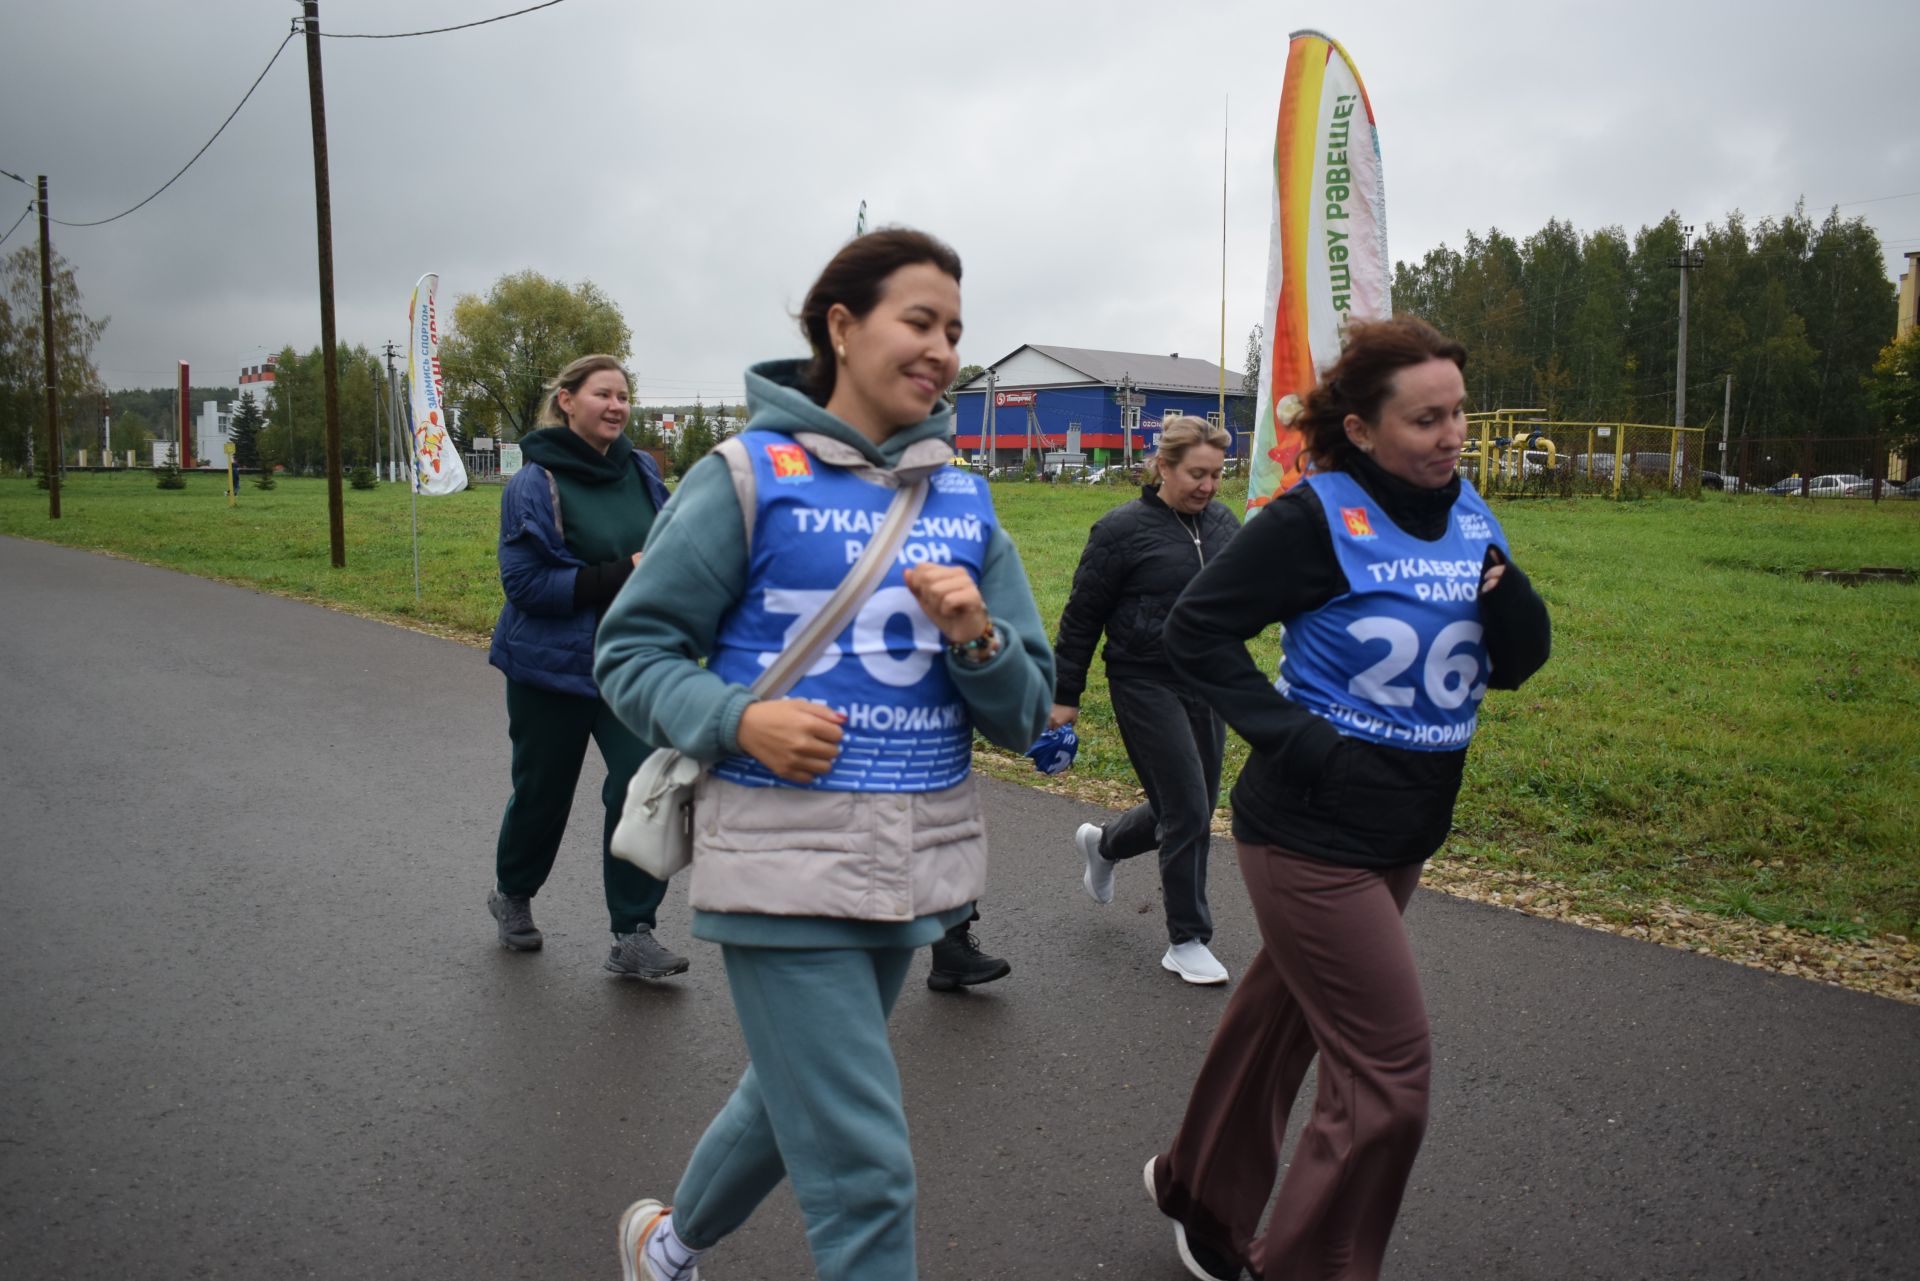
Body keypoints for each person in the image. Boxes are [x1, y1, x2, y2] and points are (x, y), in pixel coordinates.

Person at [593, 228, 1053, 1281]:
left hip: (914, 863)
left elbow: (1026, 714)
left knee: (785, 1093)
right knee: (865, 1171)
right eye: (919, 321)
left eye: (955, 332)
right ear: (843, 328)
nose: (941, 349)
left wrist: (976, 634)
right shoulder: (748, 476)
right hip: (778, 858)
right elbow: (631, 652)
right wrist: (736, 721)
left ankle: (665, 1246)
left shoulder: (965, 501)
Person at [1143, 317, 1551, 1281]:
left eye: (1458, 413)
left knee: (1283, 1014)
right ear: (1363, 429)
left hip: (1403, 825)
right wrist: (1297, 737)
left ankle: (1199, 1192)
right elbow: (1192, 633)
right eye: (1426, 419)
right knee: (1388, 1083)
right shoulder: (1313, 517)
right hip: (1309, 832)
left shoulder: (1469, 511)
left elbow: (1519, 664)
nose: (1452, 435)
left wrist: (1507, 595)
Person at [485, 354, 690, 980]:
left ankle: (633, 932)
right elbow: (525, 584)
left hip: (631, 662)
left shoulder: (642, 472)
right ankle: (513, 893)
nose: (617, 406)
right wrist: (621, 572)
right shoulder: (536, 479)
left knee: (642, 786)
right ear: (568, 401)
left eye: (624, 395)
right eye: (603, 393)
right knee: (543, 793)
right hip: (551, 665)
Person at [1050, 415, 1240, 984]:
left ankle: (1104, 845)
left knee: (1190, 806)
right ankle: (1187, 940)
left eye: (1217, 475)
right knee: (1185, 807)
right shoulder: (1121, 530)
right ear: (1164, 466)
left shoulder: (1225, 522)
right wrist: (1066, 696)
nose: (1207, 487)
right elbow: (1081, 618)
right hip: (1143, 680)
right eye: (1196, 474)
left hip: (1206, 680)